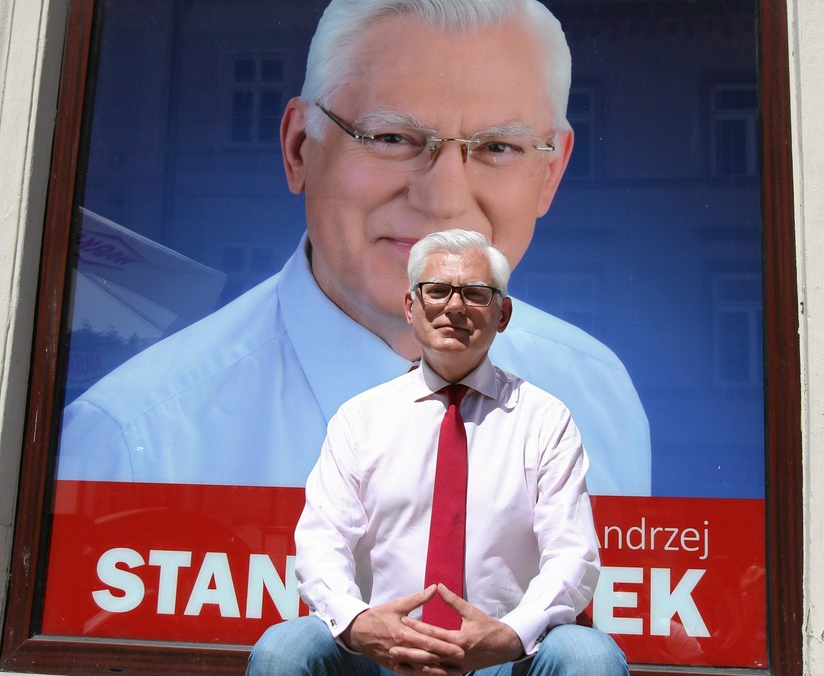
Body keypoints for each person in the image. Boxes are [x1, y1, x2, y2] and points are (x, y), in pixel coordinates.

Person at [56, 0, 650, 496]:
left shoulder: (597, 397)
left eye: (498, 147)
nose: (443, 201)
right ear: (298, 148)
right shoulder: (134, 443)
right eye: (392, 137)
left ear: (551, 173)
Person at [247, 229, 627, 675]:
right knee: (285, 649)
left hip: (499, 658)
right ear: (412, 307)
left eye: (476, 294)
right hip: (382, 654)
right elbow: (321, 542)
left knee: (589, 656)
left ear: (502, 314)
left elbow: (572, 554)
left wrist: (509, 635)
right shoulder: (361, 419)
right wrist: (360, 623)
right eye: (437, 291)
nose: (454, 307)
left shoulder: (545, 420)